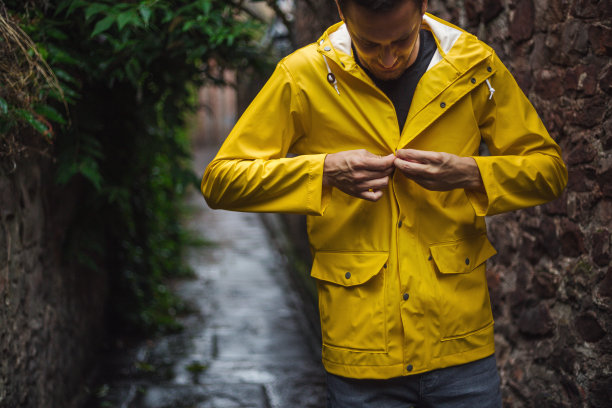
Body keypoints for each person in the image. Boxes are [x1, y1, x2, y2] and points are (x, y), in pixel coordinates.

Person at [201, 0, 568, 406]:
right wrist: (324, 172)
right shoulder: (302, 74)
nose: (389, 58)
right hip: (360, 352)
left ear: (423, 7)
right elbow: (221, 181)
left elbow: (549, 171)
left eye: (402, 40)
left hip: (460, 345)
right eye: (370, 44)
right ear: (342, 11)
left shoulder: (473, 65)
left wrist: (469, 174)